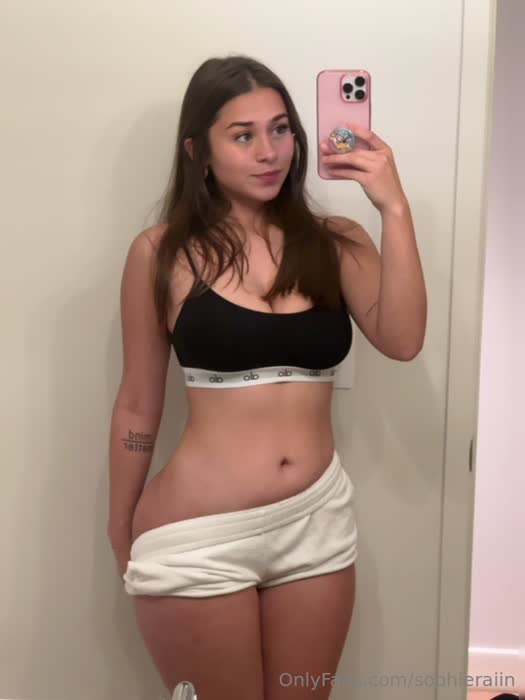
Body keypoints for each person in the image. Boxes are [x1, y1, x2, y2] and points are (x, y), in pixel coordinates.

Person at [107, 54, 427, 700]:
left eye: (280, 129)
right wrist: (120, 528)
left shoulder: (336, 242)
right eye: (243, 135)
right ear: (198, 151)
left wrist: (393, 208)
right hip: (199, 538)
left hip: (316, 524)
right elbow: (138, 405)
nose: (268, 151)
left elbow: (402, 339)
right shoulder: (161, 253)